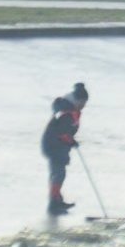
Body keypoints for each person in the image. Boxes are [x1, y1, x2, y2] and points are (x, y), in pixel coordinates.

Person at [40, 82, 89, 216]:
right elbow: (62, 133)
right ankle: (54, 204)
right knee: (58, 174)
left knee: (59, 174)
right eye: (83, 102)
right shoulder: (66, 112)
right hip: (53, 146)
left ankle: (57, 200)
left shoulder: (70, 109)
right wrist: (71, 142)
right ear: (77, 100)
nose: (84, 105)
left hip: (57, 146)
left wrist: (70, 141)